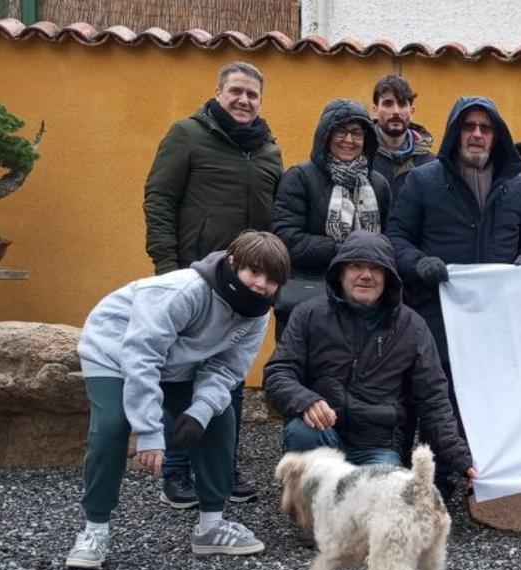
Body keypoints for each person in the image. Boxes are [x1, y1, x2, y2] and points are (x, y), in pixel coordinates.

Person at [65, 231, 290, 570]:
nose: (261, 284)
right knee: (112, 426)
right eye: (254, 272)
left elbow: (227, 368)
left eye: (271, 279)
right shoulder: (185, 291)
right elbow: (142, 356)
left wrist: (199, 412)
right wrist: (150, 432)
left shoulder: (257, 314)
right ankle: (94, 530)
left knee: (219, 416)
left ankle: (211, 526)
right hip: (114, 349)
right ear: (233, 263)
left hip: (178, 363)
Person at [387, 96, 521, 495]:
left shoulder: (518, 189)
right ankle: (430, 481)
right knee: (433, 396)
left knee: (489, 396)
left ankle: (483, 474)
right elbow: (396, 238)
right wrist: (419, 263)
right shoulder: (422, 181)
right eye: (468, 126)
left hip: (496, 318)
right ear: (454, 133)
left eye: (485, 128)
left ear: (497, 136)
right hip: (435, 312)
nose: (476, 134)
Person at [142, 60, 282, 509]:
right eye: (236, 91)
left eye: (252, 94)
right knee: (180, 372)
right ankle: (176, 470)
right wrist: (167, 267)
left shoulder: (268, 150)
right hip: (194, 279)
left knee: (230, 375)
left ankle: (222, 468)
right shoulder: (187, 135)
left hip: (247, 286)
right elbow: (159, 199)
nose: (244, 100)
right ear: (219, 92)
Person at [264, 231, 475, 482]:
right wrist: (305, 401)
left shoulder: (413, 328)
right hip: (322, 433)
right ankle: (309, 506)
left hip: (378, 447)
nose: (366, 275)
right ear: (339, 272)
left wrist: (462, 460)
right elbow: (278, 372)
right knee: (302, 433)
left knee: (383, 501)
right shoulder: (308, 315)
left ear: (389, 277)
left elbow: (434, 400)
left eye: (376, 268)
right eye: (356, 266)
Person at [271, 99, 391, 340]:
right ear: (325, 135)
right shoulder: (299, 178)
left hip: (364, 302)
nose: (349, 139)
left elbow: (387, 241)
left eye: (357, 133)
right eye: (340, 131)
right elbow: (285, 239)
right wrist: (344, 250)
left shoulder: (378, 184)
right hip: (307, 300)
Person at [369, 75, 437, 198]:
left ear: (411, 111)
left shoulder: (431, 164)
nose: (396, 111)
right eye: (388, 104)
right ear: (375, 110)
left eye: (402, 104)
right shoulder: (362, 158)